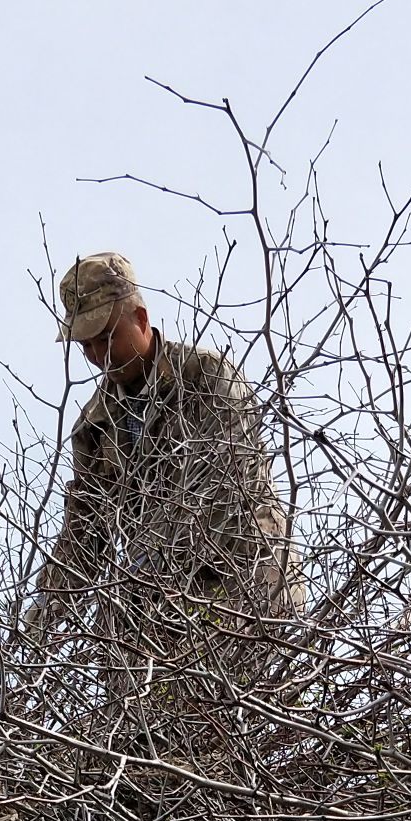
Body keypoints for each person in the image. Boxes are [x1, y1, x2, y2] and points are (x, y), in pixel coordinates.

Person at [34, 252, 303, 629]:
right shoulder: (94, 426)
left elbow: (225, 489)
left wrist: (139, 575)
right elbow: (84, 536)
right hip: (158, 610)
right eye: (86, 346)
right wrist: (37, 623)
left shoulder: (206, 377)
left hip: (245, 586)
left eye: (106, 338)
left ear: (141, 319)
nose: (98, 356)